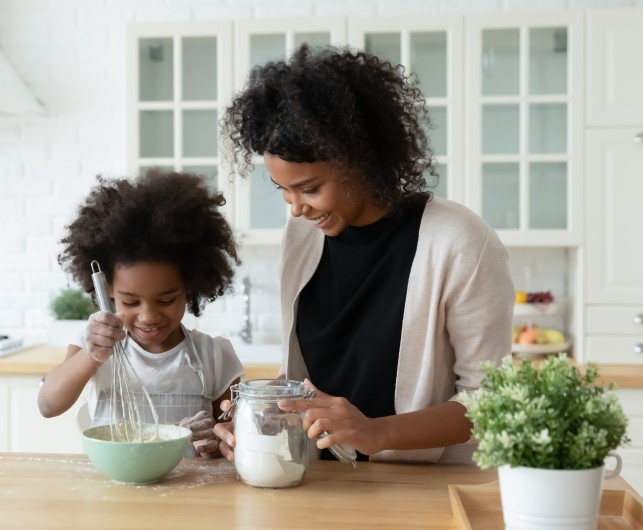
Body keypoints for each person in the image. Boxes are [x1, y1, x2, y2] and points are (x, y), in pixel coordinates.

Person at [215, 44, 514, 464]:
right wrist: (256, 416)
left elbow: (492, 403)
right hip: (317, 482)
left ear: (361, 159)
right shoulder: (302, 236)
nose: (296, 207)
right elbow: (309, 380)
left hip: (422, 493)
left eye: (310, 188)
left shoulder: (459, 242)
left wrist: (377, 431)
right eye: (282, 189)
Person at [38, 170, 244, 458]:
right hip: (114, 495)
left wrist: (215, 441)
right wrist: (92, 355)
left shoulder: (214, 355)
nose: (148, 316)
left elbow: (233, 439)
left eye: (166, 299)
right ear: (108, 289)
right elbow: (48, 405)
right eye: (131, 302)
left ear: (190, 286)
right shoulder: (95, 347)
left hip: (189, 496)